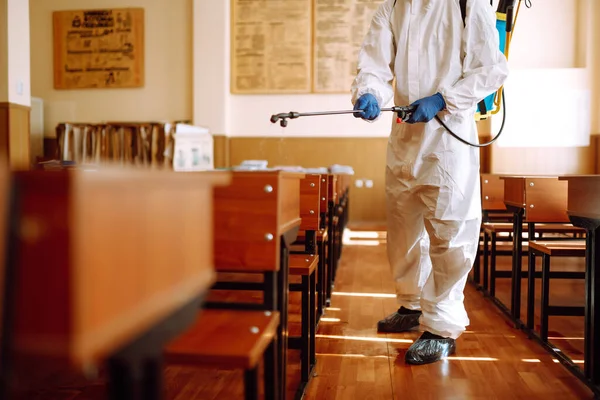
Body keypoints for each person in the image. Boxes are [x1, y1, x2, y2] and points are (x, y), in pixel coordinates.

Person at [351, 0, 509, 365]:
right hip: (405, 139)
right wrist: (369, 93)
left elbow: (491, 70)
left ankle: (441, 327)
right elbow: (372, 65)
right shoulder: (392, 8)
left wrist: (443, 99)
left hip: (449, 138)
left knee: (450, 233)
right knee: (403, 230)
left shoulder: (468, 4)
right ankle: (411, 303)